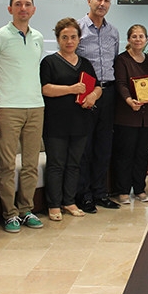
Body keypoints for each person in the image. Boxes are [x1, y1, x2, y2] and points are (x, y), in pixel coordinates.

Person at [0, 0, 45, 233]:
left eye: (27, 4)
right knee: (8, 164)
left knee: (30, 164)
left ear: (34, 10)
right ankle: (9, 214)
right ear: (10, 9)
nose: (23, 8)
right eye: (18, 4)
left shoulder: (38, 37)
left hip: (36, 106)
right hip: (9, 107)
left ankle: (26, 210)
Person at [40, 18, 102, 221]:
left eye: (73, 37)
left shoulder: (85, 63)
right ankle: (54, 204)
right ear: (58, 39)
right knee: (56, 164)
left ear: (79, 39)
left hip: (81, 122)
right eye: (64, 37)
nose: (69, 41)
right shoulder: (49, 62)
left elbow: (97, 86)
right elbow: (45, 89)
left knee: (74, 164)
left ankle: (69, 201)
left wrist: (93, 96)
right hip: (56, 123)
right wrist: (71, 89)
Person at [75, 0, 120, 213]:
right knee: (85, 146)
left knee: (104, 145)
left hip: (108, 93)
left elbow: (114, 62)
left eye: (106, 0)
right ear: (89, 1)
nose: (102, 4)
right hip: (85, 94)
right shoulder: (78, 29)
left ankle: (100, 192)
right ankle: (84, 196)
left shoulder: (113, 32)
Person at [111, 24, 148, 204]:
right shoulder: (122, 60)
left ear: (145, 39)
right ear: (129, 39)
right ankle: (123, 191)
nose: (138, 39)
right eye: (134, 36)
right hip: (127, 115)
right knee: (125, 154)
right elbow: (121, 84)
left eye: (141, 36)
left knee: (142, 154)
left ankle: (139, 189)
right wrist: (129, 100)